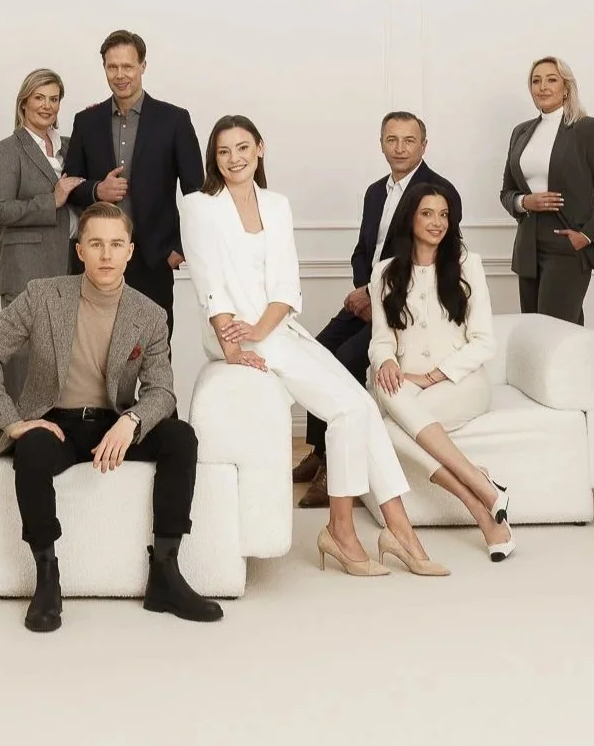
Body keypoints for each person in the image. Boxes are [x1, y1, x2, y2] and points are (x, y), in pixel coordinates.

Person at [179, 115, 446, 577]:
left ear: (260, 149)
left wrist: (264, 329)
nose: (234, 159)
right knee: (348, 408)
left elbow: (287, 282)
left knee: (358, 404)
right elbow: (209, 285)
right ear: (213, 159)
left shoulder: (277, 204)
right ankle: (355, 533)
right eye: (224, 152)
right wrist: (232, 345)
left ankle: (392, 528)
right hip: (237, 333)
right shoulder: (200, 206)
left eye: (243, 148)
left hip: (276, 329)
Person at [0, 202, 223, 632]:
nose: (106, 254)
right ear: (80, 250)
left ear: (130, 251)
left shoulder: (149, 314)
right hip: (55, 422)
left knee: (181, 438)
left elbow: (161, 389)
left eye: (116, 244)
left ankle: (166, 572)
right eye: (96, 243)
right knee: (30, 449)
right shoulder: (43, 296)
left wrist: (132, 421)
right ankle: (47, 576)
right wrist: (13, 422)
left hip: (113, 423)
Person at [293, 111, 462, 508]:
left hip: (405, 309)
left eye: (408, 140)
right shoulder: (375, 192)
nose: (400, 148)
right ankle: (319, 449)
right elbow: (363, 251)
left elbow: (437, 259)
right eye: (392, 140)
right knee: (315, 354)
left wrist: (377, 297)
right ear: (381, 143)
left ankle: (337, 468)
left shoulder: (439, 191)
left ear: (424, 144)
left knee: (349, 360)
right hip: (367, 297)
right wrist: (361, 289)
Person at [368, 183, 513, 561]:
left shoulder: (468, 265)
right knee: (386, 399)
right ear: (410, 218)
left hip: (461, 383)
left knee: (387, 424)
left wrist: (432, 376)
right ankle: (482, 498)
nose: (437, 222)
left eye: (444, 214)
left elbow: (484, 342)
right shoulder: (384, 273)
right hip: (404, 387)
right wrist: (386, 361)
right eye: (427, 213)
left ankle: (483, 497)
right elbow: (381, 340)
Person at [63, 30, 204, 338]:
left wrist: (180, 248)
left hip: (154, 258)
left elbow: (197, 192)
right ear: (104, 68)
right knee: (95, 352)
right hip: (99, 257)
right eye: (112, 67)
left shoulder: (175, 120)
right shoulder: (86, 122)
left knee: (154, 353)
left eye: (127, 66)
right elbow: (69, 185)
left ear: (143, 66)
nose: (120, 75)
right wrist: (97, 190)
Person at [499, 56, 594, 325]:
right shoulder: (520, 132)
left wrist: (587, 236)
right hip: (528, 247)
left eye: (551, 79)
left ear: (566, 88)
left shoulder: (586, 129)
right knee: (533, 334)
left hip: (567, 246)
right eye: (536, 81)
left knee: (554, 332)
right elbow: (507, 192)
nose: (542, 87)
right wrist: (525, 202)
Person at [0, 69, 84, 398]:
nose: (47, 106)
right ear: (24, 102)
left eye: (54, 99)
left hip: (73, 264)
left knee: (67, 357)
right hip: (26, 267)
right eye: (39, 98)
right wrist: (50, 201)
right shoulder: (6, 150)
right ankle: (17, 437)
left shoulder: (70, 147)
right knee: (24, 357)